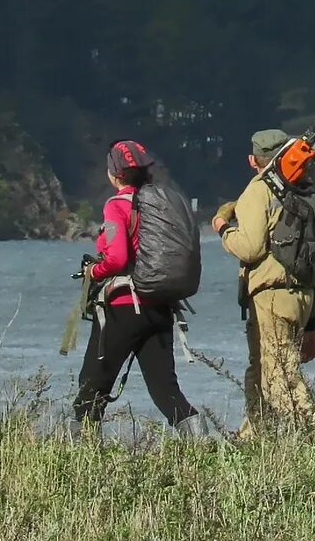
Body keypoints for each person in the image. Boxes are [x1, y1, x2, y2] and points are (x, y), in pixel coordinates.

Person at [72, 140, 206, 437]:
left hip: (122, 309)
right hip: (159, 306)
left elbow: (117, 258)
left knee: (91, 388)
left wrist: (95, 270)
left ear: (115, 174)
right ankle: (202, 449)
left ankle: (80, 461)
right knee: (166, 391)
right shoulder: (162, 205)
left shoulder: (116, 205)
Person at [212, 129, 315, 437]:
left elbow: (250, 247)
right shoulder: (305, 193)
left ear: (253, 160)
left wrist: (223, 229)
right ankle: (253, 435)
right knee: (262, 368)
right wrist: (314, 324)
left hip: (271, 296)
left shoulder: (260, 191)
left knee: (280, 377)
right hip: (303, 295)